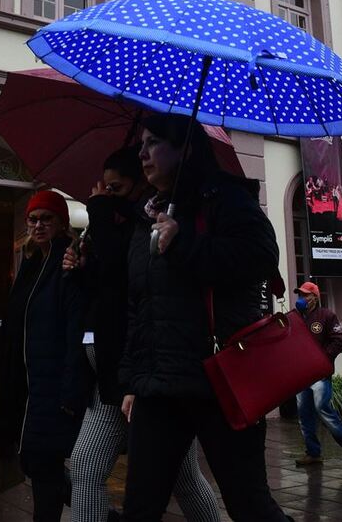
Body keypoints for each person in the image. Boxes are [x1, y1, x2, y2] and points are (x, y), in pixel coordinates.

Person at [119, 114, 293, 522]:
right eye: (141, 144)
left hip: (220, 379)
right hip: (160, 385)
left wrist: (184, 242)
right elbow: (140, 305)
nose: (142, 154)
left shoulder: (225, 198)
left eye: (154, 142)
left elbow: (260, 257)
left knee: (250, 506)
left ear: (185, 148)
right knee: (139, 509)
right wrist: (132, 380)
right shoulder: (147, 215)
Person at [65, 147, 220, 522]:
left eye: (115, 188)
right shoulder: (121, 224)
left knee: (181, 480)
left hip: (141, 377)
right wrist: (82, 270)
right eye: (104, 189)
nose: (105, 195)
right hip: (112, 375)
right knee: (87, 469)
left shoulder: (150, 223)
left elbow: (129, 283)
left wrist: (100, 213)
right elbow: (110, 295)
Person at [0, 190, 86, 522]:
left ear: (62, 223)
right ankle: (95, 505)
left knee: (42, 462)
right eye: (33, 219)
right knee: (33, 460)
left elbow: (74, 329)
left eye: (46, 219)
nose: (38, 225)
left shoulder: (68, 261)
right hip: (26, 385)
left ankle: (87, 505)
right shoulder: (31, 264)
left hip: (51, 384)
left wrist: (70, 389)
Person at [292, 282, 342, 467]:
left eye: (306, 295)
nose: (302, 299)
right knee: (304, 414)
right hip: (302, 374)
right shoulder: (296, 318)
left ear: (315, 297)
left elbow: (339, 342)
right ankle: (313, 453)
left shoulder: (327, 316)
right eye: (300, 295)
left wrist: (322, 359)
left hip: (320, 373)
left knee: (322, 407)